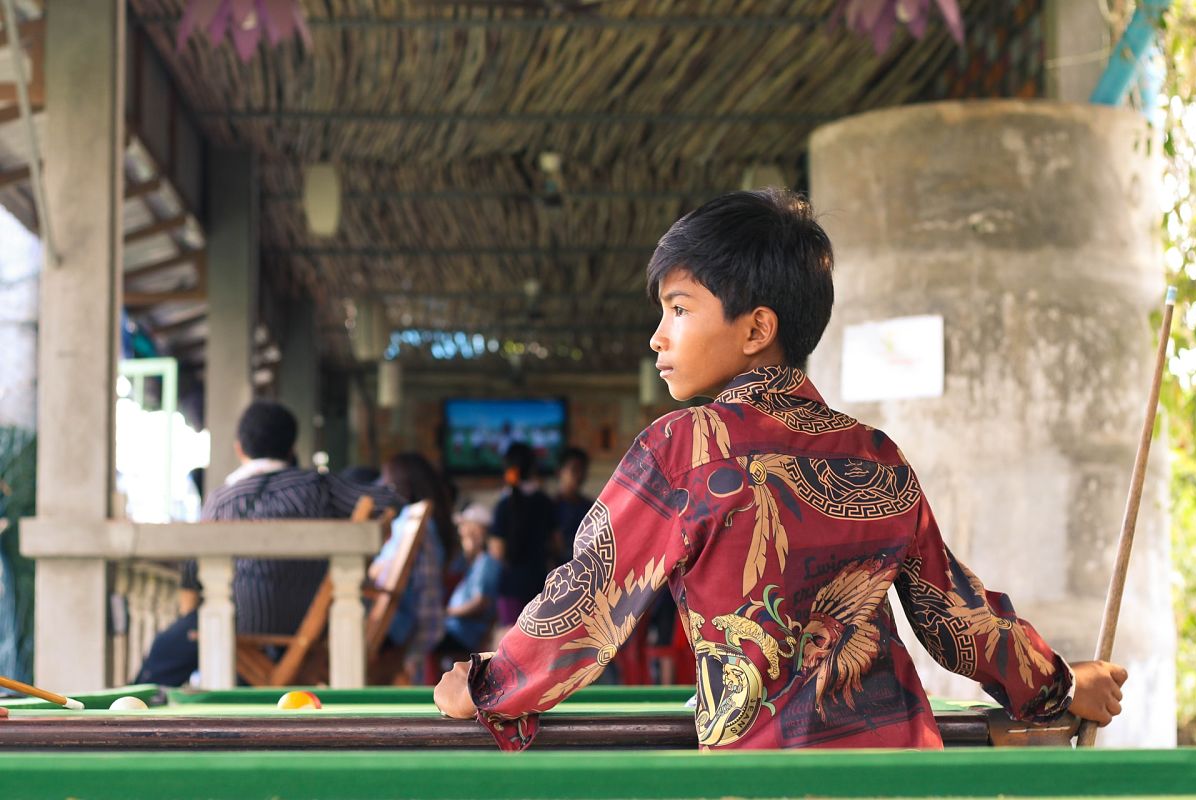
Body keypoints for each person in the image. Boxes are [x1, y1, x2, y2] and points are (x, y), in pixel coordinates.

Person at [435, 189, 1127, 751]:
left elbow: (590, 596)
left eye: (679, 309)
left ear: (756, 329)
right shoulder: (876, 453)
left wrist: (490, 685)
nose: (658, 336)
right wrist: (1061, 686)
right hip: (908, 774)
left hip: (765, 782)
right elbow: (956, 621)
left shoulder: (687, 446)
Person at [136, 401, 396, 686]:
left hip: (239, 620)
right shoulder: (318, 486)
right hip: (307, 622)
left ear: (239, 449)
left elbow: (192, 574)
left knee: (167, 650)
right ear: (291, 448)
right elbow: (387, 500)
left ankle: (131, 717)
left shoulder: (222, 499)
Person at [370, 452, 456, 683]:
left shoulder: (414, 525)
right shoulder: (413, 525)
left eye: (386, 482)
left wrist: (414, 655)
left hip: (388, 630)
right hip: (387, 626)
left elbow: (427, 599)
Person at [489, 442, 556, 638]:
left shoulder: (504, 504)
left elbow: (497, 550)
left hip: (511, 585)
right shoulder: (545, 502)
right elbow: (556, 542)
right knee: (536, 642)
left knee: (509, 644)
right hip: (539, 583)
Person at [437, 503, 502, 657]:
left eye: (465, 528)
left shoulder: (487, 562)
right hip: (455, 630)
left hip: (463, 634)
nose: (461, 532)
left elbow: (481, 603)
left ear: (478, 532)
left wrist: (448, 612)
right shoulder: (476, 562)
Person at [551, 447, 594, 565]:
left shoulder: (590, 507)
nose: (579, 475)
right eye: (574, 470)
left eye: (583, 470)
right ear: (559, 471)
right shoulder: (550, 507)